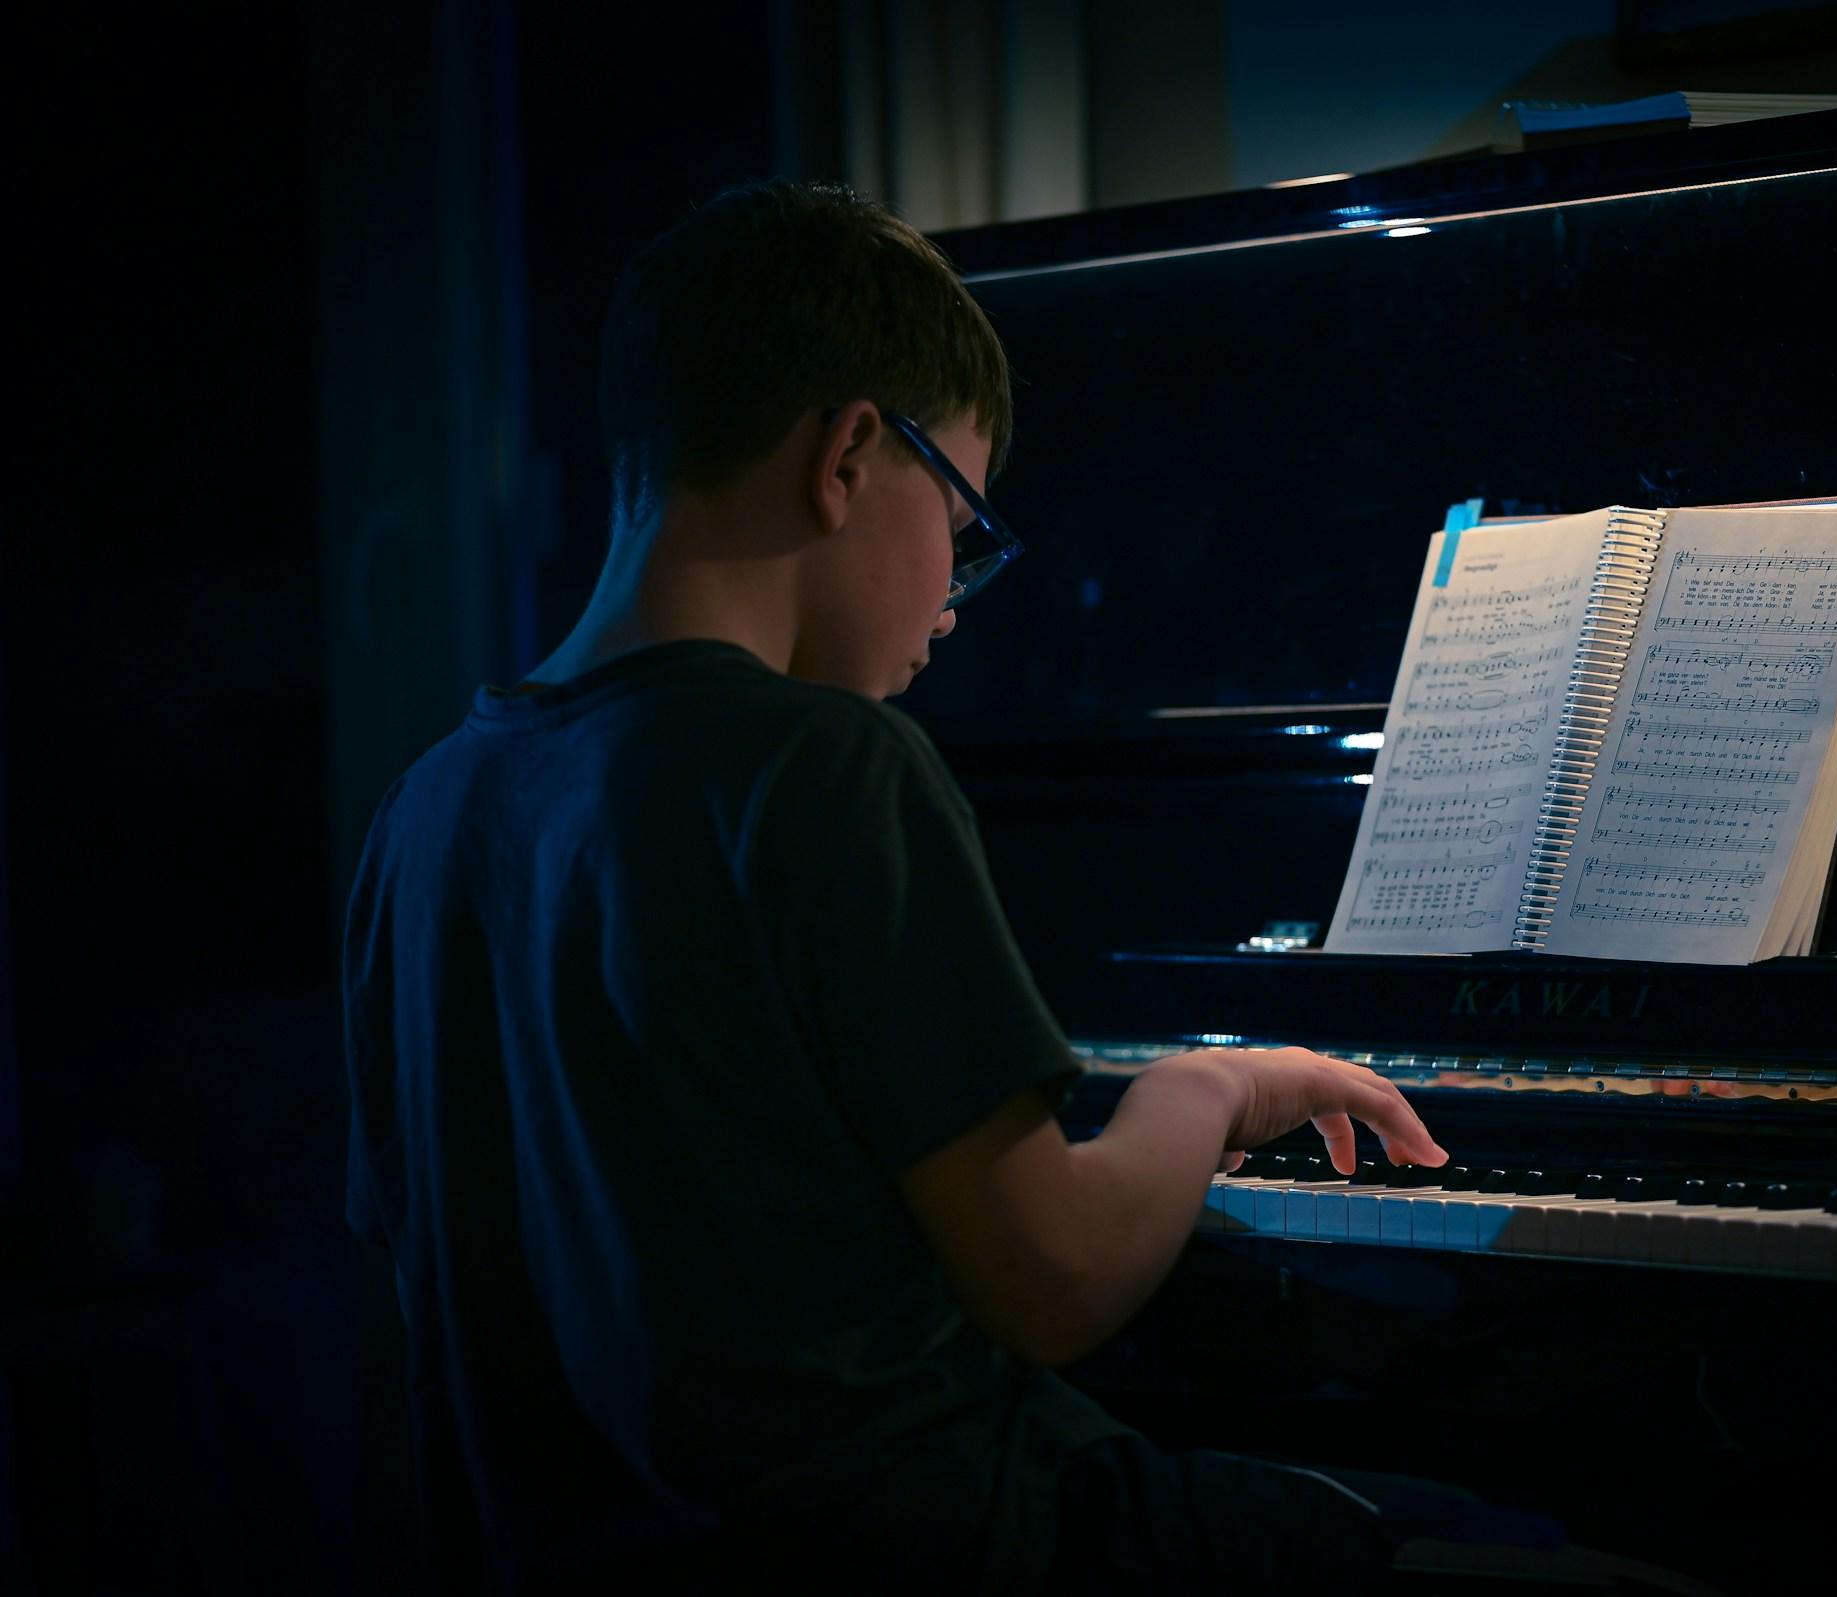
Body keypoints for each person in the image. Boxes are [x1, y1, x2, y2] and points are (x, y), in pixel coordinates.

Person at [341, 178, 1454, 1595]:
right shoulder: (827, 762)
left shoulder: (424, 808)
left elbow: (424, 1275)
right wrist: (1211, 1089)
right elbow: (1057, 1279)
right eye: (961, 522)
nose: (948, 602)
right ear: (850, 454)